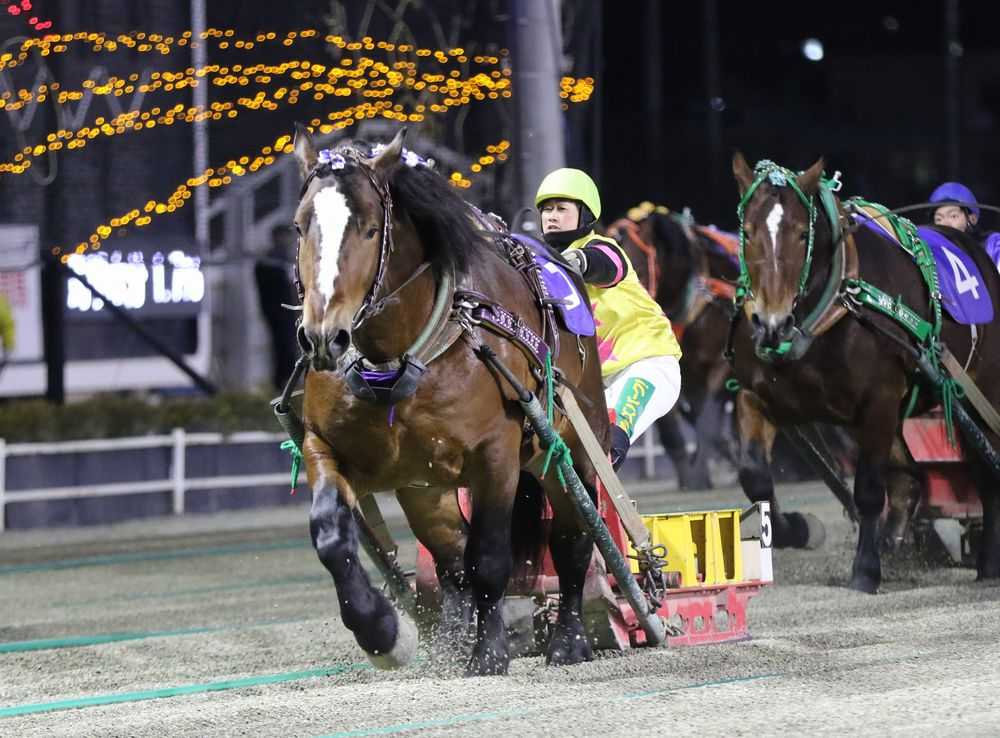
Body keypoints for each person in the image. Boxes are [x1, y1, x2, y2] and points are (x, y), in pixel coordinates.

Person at [535, 168, 683, 470]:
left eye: (561, 208)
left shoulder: (603, 247)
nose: (551, 216)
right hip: (593, 386)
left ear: (585, 214)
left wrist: (573, 262)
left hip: (647, 366)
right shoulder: (542, 263)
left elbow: (604, 265)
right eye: (546, 209)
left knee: (605, 443)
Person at [254, 224, 300, 390]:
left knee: (287, 345)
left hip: (285, 311)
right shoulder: (271, 261)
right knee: (283, 345)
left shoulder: (283, 259)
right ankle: (283, 380)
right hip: (279, 311)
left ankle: (285, 379)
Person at [930, 181, 1000, 272]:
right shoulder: (933, 257)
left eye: (953, 216)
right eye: (939, 219)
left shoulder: (993, 245)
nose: (944, 224)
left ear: (972, 219)